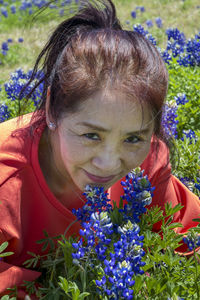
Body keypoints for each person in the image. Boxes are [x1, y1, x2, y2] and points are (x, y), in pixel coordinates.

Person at [0, 0, 200, 297]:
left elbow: (188, 241)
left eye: (133, 138)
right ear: (52, 110)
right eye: (91, 135)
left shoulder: (147, 167)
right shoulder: (6, 181)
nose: (108, 163)